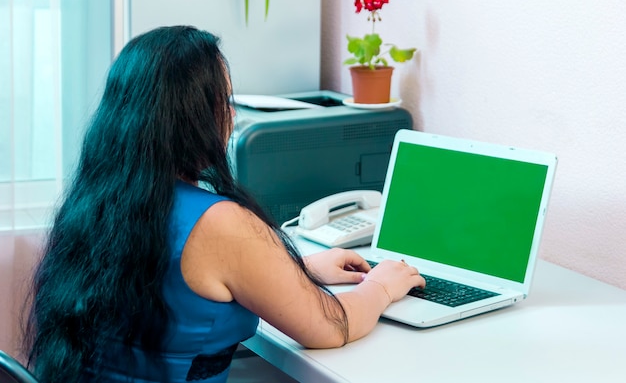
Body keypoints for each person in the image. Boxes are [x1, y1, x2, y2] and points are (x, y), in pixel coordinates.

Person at [22, 25, 425, 383]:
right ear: (194, 118)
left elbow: (166, 280)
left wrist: (296, 269)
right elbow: (331, 326)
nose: (232, 114)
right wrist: (382, 286)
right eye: (225, 101)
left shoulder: (94, 205)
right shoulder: (219, 223)